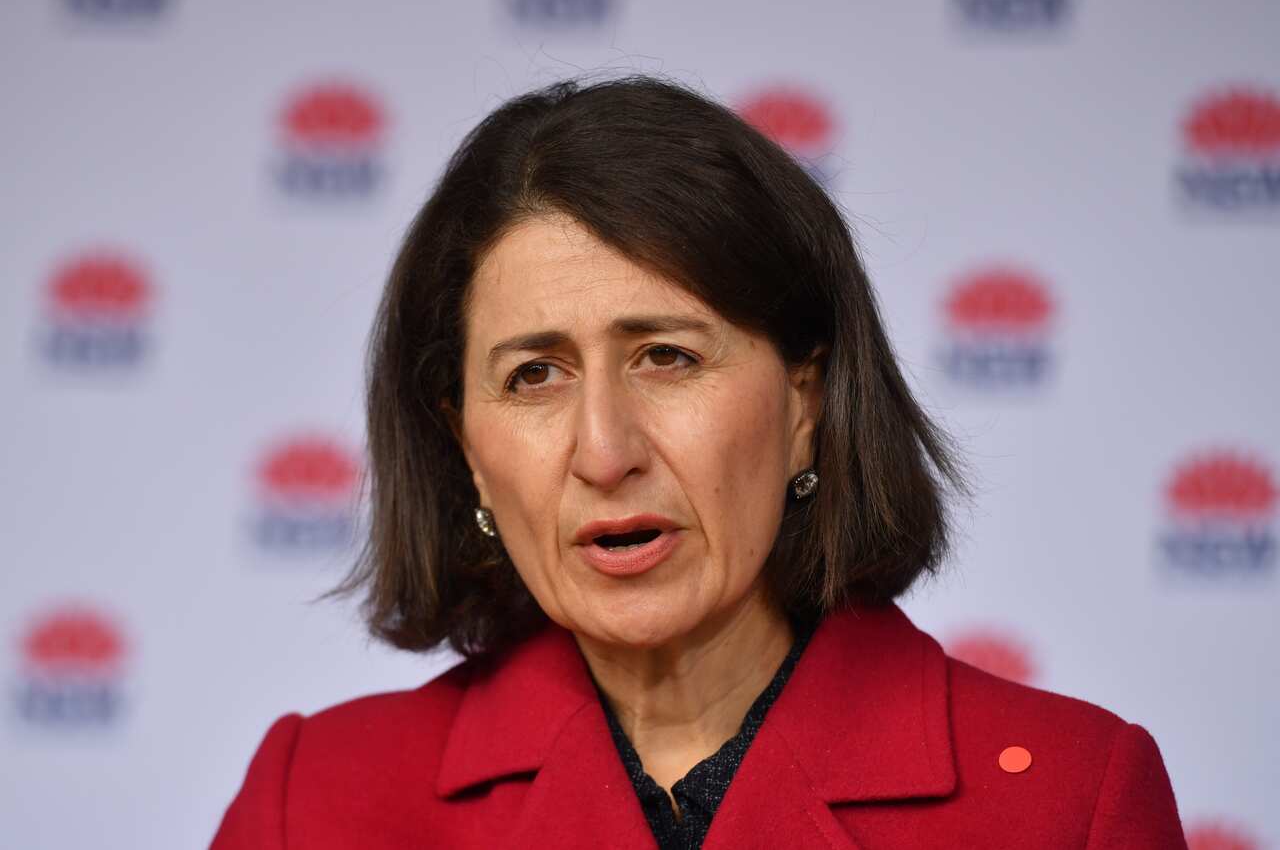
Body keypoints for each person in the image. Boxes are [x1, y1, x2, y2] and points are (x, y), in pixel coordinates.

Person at [210, 76, 1187, 849]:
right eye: (534, 375)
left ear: (805, 400)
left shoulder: (1065, 797)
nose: (603, 450)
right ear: (464, 443)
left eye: (666, 357)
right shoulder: (318, 798)